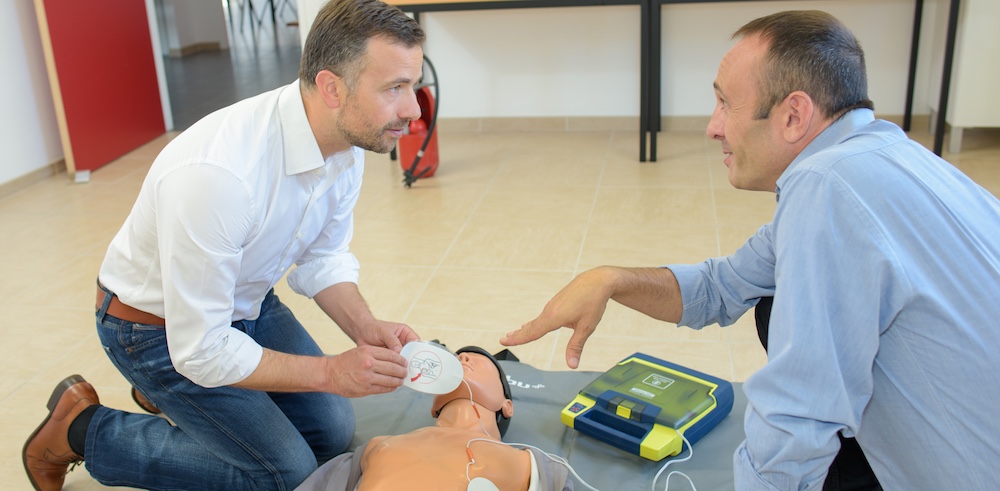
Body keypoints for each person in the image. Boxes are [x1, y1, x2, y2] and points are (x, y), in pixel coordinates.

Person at [501, 9, 1000, 491]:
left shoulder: (827, 186)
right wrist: (609, 279)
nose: (712, 126)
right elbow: (722, 287)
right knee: (772, 298)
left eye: (725, 104)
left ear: (793, 115)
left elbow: (799, 410)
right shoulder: (885, 158)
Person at [23, 0, 425, 489]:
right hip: (154, 330)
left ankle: (177, 400)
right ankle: (84, 431)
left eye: (413, 84)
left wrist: (366, 327)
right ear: (331, 88)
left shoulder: (346, 138)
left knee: (332, 431)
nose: (412, 109)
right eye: (394, 89)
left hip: (242, 297)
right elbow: (201, 348)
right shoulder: (219, 176)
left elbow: (322, 256)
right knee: (283, 475)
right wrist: (330, 373)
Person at [295, 346, 574, 491]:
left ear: (507, 405)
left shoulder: (534, 465)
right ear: (433, 406)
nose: (462, 357)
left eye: (477, 359)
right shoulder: (376, 448)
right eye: (456, 357)